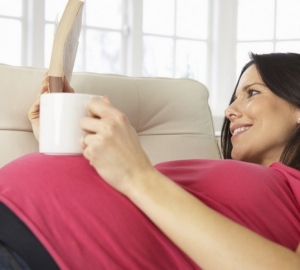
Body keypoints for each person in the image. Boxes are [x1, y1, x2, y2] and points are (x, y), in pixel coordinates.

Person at [0, 52, 300, 269]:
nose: (231, 110)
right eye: (233, 98)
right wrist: (62, 132)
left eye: (252, 93)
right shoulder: (249, 181)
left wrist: (139, 176)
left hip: (35, 251)